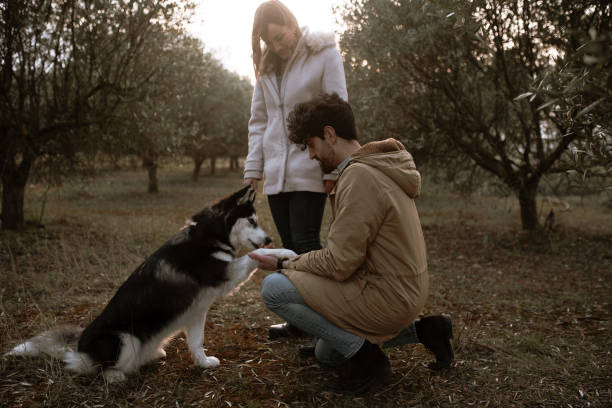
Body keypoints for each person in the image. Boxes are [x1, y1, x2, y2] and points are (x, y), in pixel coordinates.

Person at [248, 93, 454, 395]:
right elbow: (350, 258)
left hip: (386, 296)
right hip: (403, 291)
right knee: (327, 353)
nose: (310, 155)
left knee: (274, 288)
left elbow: (339, 264)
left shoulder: (359, 177)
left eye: (311, 145)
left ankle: (369, 361)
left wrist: (283, 263)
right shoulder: (374, 168)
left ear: (329, 135)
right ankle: (426, 330)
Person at [244, 0, 348, 339]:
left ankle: (324, 325)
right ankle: (300, 321)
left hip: (311, 167)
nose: (279, 45)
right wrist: (253, 169)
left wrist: (333, 170)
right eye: (270, 42)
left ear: (292, 23)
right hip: (276, 174)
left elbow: (338, 110)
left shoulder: (325, 54)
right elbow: (259, 122)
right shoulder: (267, 68)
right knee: (287, 247)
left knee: (305, 246)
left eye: (281, 36)